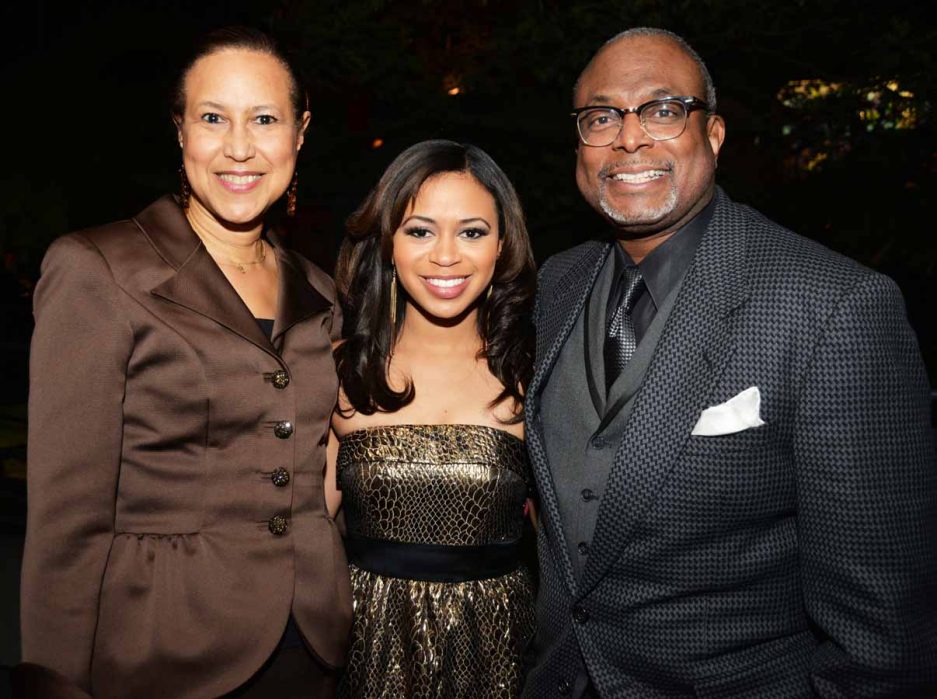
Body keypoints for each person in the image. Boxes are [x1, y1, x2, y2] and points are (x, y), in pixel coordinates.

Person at [523, 27, 937, 698]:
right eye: (601, 117)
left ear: (712, 134)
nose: (628, 139)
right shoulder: (554, 286)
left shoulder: (834, 305)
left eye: (661, 110)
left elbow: (884, 633)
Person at [20, 27, 350, 698]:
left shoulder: (323, 291)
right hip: (160, 651)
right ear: (180, 131)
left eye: (264, 119)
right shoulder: (99, 269)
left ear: (299, 131)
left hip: (309, 648)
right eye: (211, 118)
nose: (238, 147)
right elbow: (65, 520)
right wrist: (52, 680)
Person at [326, 140, 537, 698]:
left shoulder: (534, 375)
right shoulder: (338, 372)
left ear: (501, 246)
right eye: (420, 230)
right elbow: (298, 534)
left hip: (497, 655)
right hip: (363, 652)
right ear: (389, 245)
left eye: (471, 231)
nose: (447, 255)